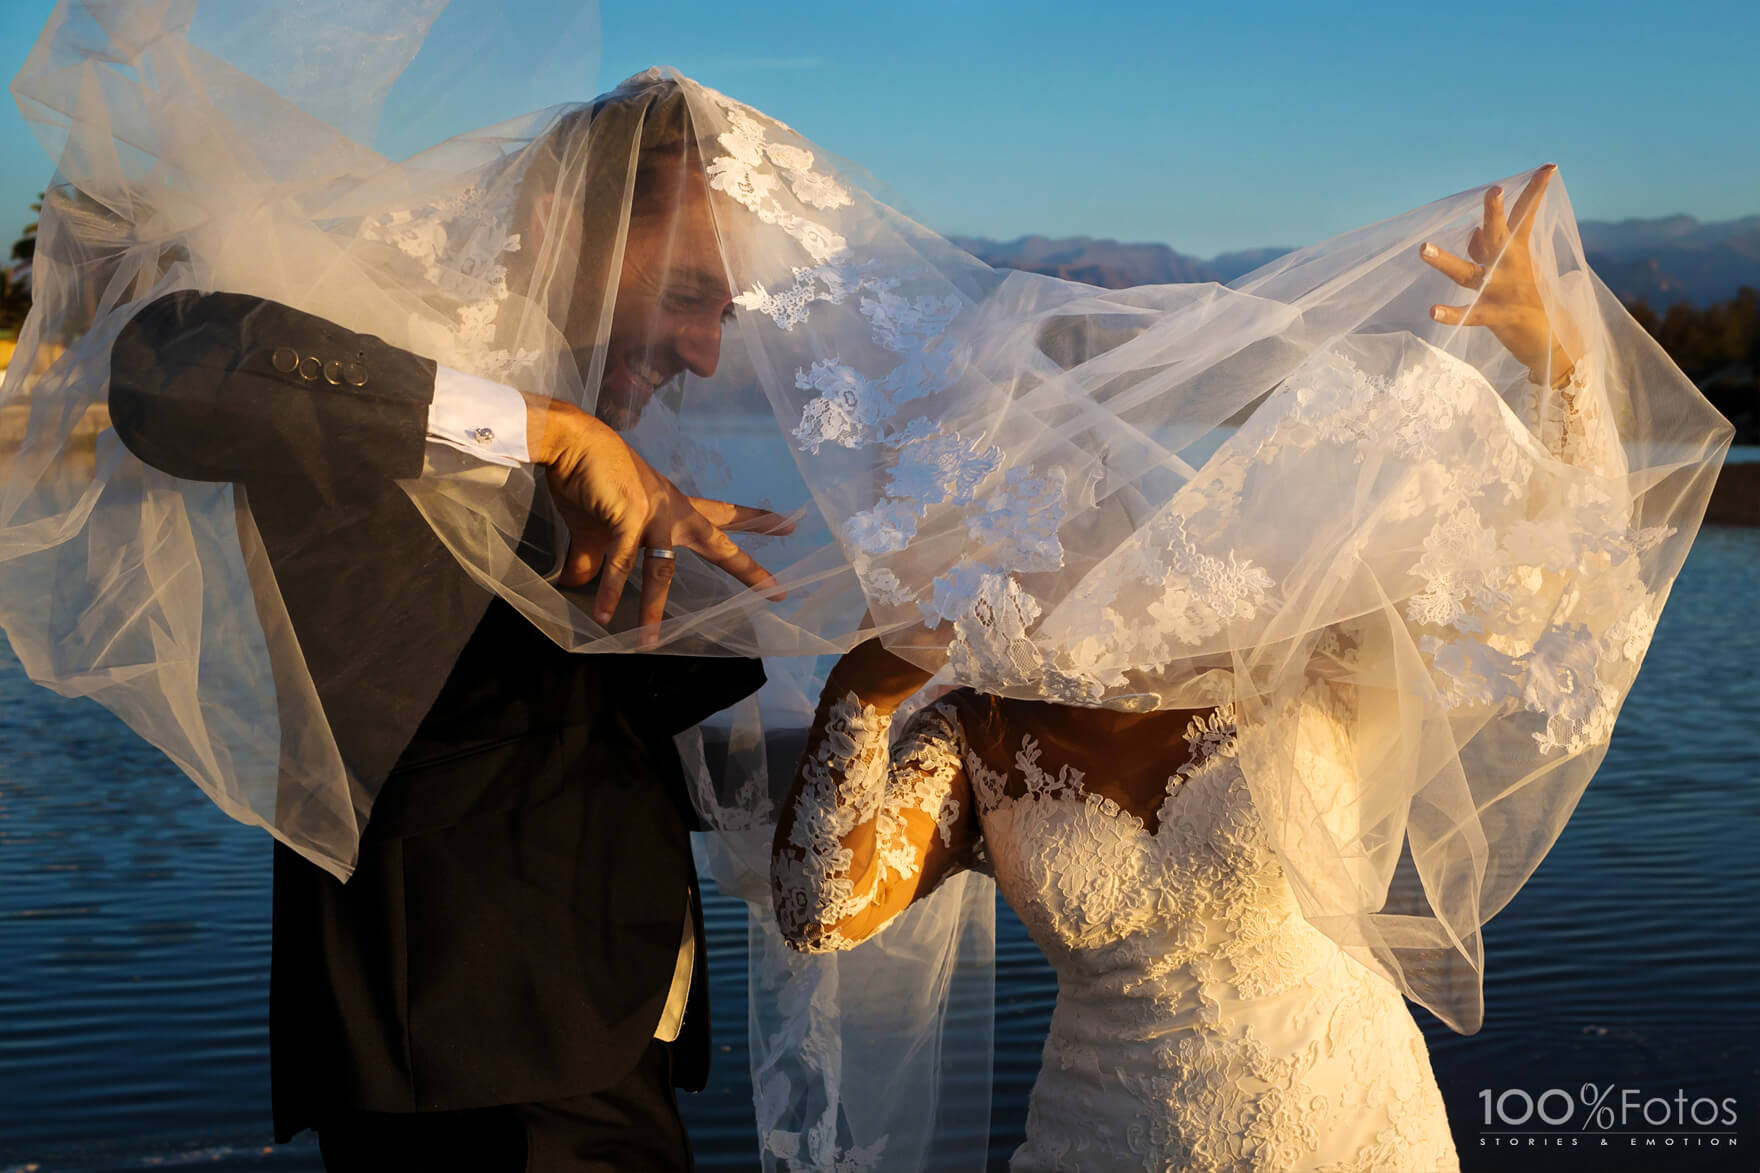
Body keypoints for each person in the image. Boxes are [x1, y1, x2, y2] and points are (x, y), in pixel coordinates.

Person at [768, 168, 1717, 1171]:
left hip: (1343, 1123)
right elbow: (820, 914)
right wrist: (859, 695)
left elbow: (1549, 586)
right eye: (968, 528)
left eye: (1040, 508)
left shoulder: (1291, 653)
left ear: (1105, 506)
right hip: (1100, 1139)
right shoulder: (973, 729)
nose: (1018, 547)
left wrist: (1559, 361)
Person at [102, 82, 787, 1171]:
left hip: (595, 1057)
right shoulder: (406, 396)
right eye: (690, 294)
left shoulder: (612, 479)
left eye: (723, 315)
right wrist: (542, 433)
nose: (704, 352)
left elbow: (615, 757)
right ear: (561, 225)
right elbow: (168, 364)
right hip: (467, 1080)